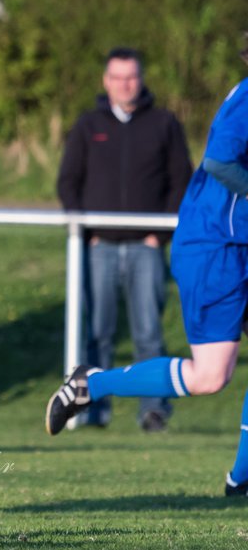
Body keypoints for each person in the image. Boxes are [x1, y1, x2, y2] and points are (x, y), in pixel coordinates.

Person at [47, 40, 248, 496]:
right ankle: (91, 385)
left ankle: (241, 479)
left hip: (239, 240)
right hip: (216, 244)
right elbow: (219, 162)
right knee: (209, 377)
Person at [55, 47, 192, 431]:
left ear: (141, 79)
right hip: (100, 248)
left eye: (131, 77)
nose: (124, 85)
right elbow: (68, 183)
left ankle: (153, 410)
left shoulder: (164, 123)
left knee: (148, 332)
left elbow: (181, 181)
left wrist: (158, 234)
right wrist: (89, 232)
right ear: (106, 81)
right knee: (99, 332)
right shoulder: (87, 125)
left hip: (146, 248)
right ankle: (94, 408)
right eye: (117, 78)